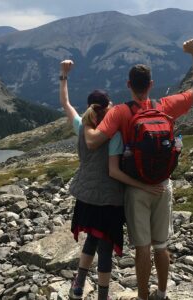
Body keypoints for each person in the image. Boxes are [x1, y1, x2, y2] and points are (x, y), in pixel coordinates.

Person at [82, 39, 193, 300]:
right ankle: (161, 293)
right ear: (151, 85)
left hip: (136, 188)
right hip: (163, 185)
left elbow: (93, 141)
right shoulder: (165, 106)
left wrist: (85, 122)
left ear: (129, 85)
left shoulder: (120, 112)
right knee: (161, 246)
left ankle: (142, 297)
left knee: (142, 248)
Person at [59, 60, 164, 300]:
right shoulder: (113, 134)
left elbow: (65, 103)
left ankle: (78, 286)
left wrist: (63, 75)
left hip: (86, 196)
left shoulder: (82, 125)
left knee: (91, 239)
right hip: (109, 199)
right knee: (105, 249)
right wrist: (143, 184)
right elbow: (115, 172)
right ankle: (103, 296)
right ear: (108, 107)